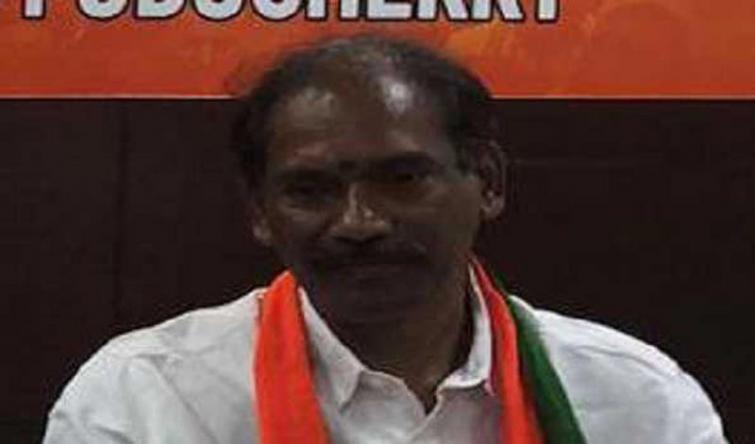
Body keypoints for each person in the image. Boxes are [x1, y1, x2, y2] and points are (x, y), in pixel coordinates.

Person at [43, 34, 727, 443]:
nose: (359, 222)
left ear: (487, 182)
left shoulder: (634, 401)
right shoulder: (145, 400)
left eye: (402, 179)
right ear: (259, 212)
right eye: (310, 189)